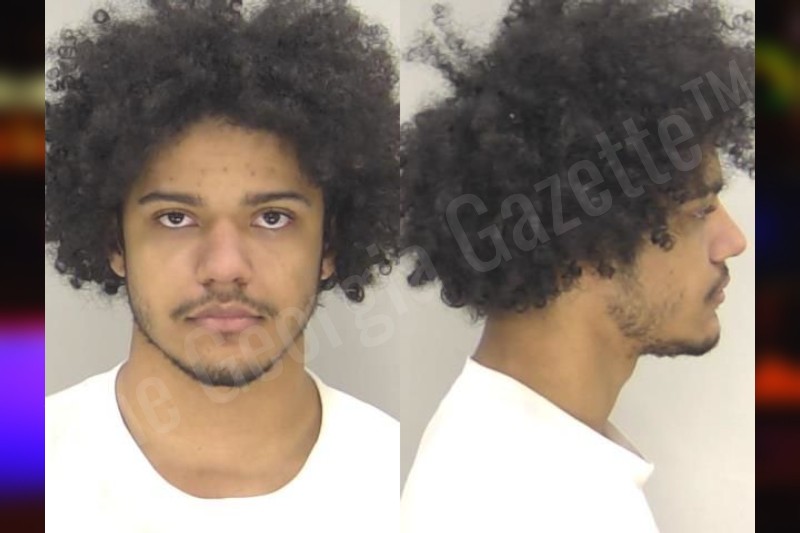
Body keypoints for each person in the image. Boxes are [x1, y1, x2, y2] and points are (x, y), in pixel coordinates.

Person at [45, 1, 399, 531]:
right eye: (175, 218)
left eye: (273, 217)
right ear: (114, 242)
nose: (225, 267)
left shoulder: (403, 481)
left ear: (330, 244)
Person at [400, 0, 753, 531]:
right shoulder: (520, 504)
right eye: (700, 210)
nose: (733, 241)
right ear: (585, 236)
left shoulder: (537, 466)